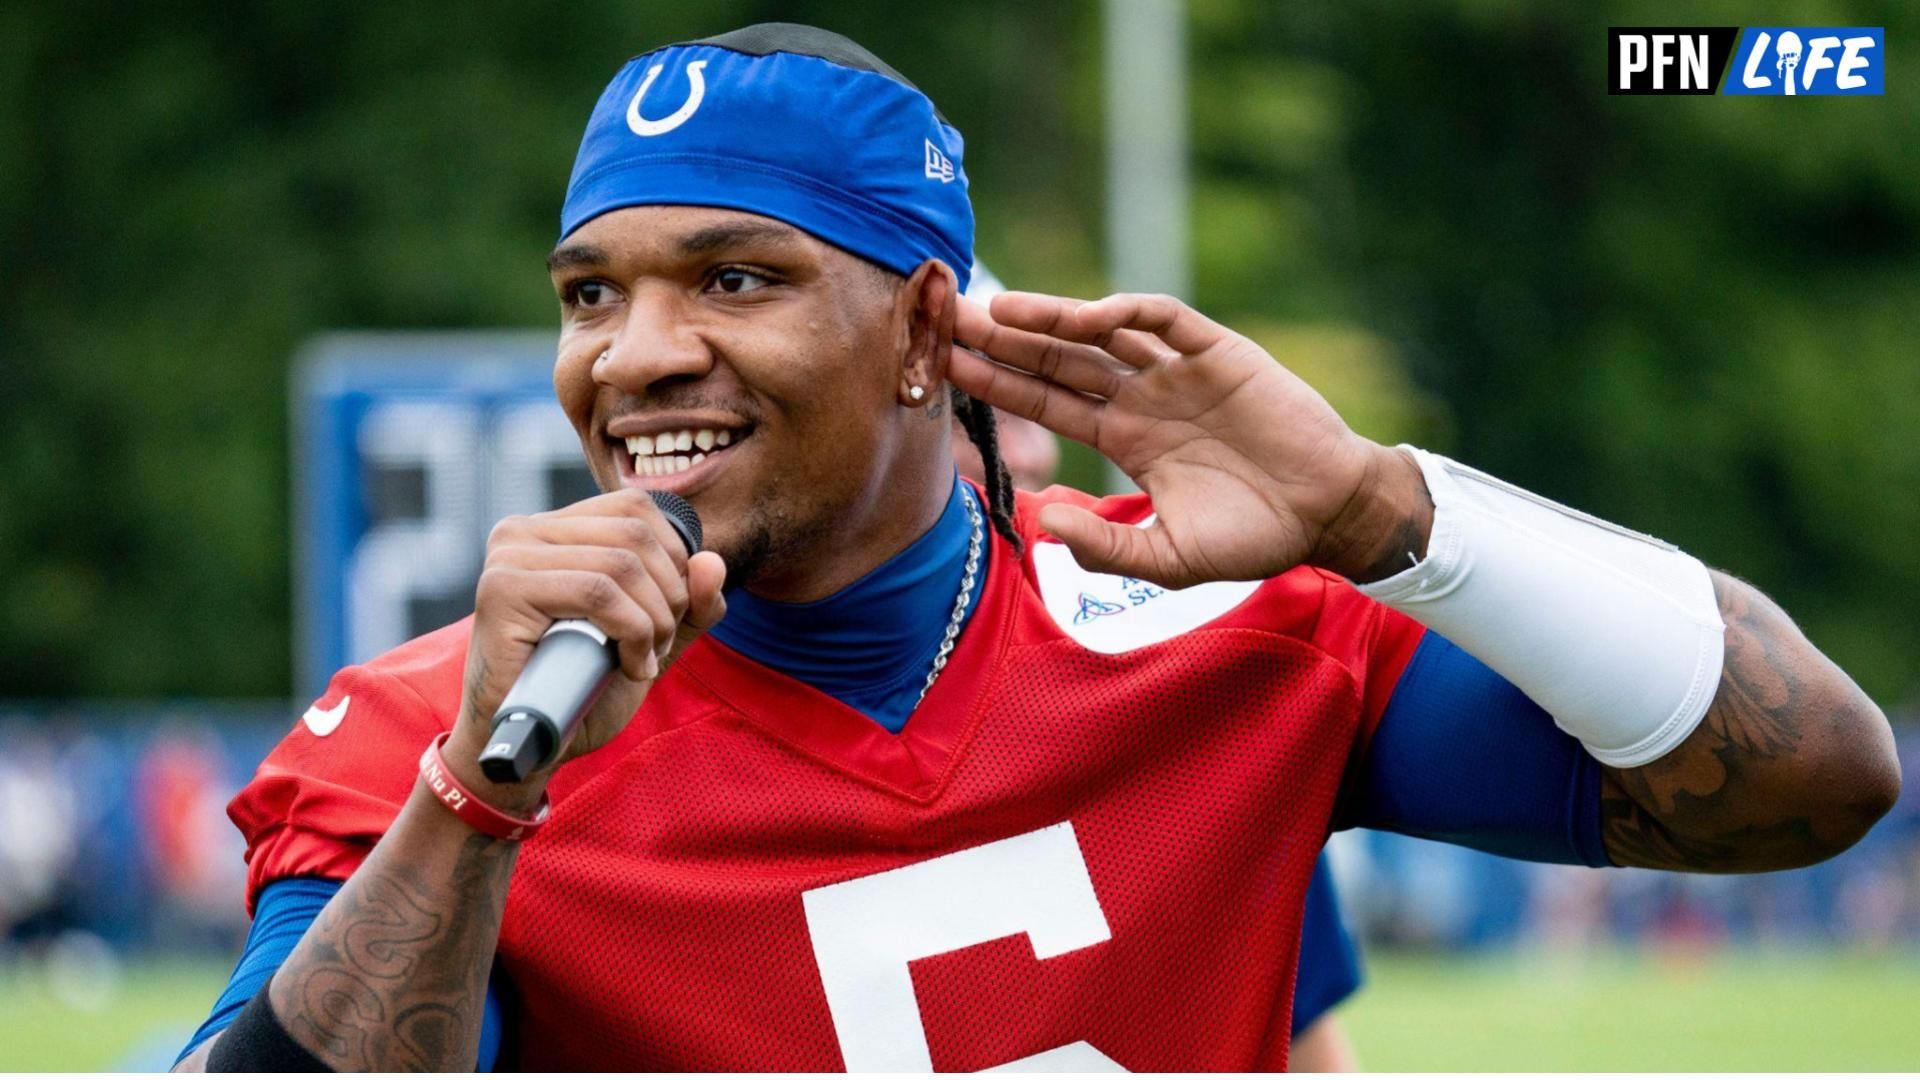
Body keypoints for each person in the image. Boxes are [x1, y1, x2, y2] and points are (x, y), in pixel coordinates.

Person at [176, 24, 1898, 1072]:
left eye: (736, 276)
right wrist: (479, 804)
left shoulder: (1221, 653)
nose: (630, 355)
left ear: (930, 331)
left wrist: (1388, 516)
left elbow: (1814, 775)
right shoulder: (442, 743)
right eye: (589, 294)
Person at [960, 262, 1366, 1071]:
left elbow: (1309, 1050)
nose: (1038, 450)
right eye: (983, 407)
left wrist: (1379, 509)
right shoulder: (644, 707)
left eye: (1034, 398)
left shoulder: (1195, 680)